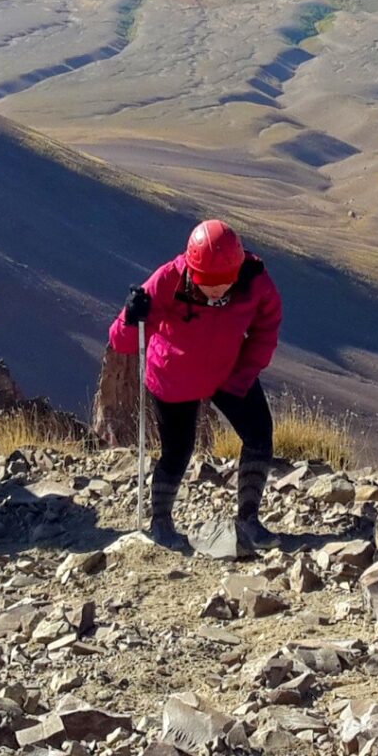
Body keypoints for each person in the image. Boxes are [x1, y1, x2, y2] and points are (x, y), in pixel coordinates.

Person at [109, 218, 285, 553]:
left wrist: (245, 373)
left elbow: (267, 326)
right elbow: (123, 342)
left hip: (227, 371)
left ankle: (249, 519)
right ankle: (161, 522)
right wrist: (131, 318)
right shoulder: (168, 279)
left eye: (224, 281)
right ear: (192, 268)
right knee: (177, 451)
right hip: (175, 376)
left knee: (259, 435)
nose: (217, 290)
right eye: (208, 282)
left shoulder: (254, 280)